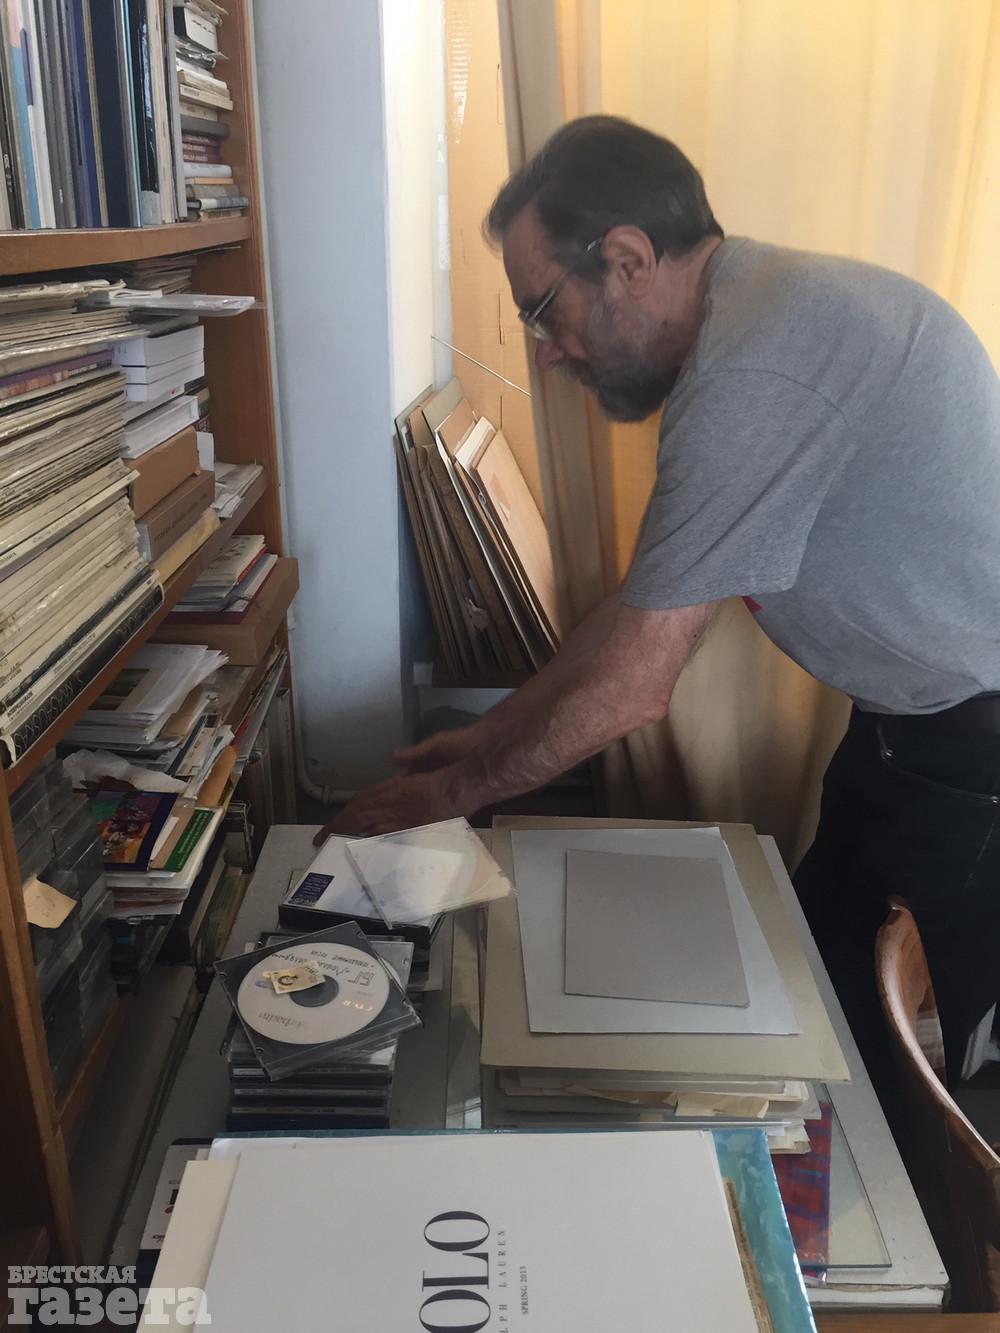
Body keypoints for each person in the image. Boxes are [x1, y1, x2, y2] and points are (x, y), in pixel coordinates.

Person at [322, 115, 1000, 1088]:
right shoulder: (757, 318)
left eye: (543, 309)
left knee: (939, 1077)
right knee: (826, 999)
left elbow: (632, 688)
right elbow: (640, 607)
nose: (546, 352)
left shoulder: (755, 368)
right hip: (904, 725)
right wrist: (487, 736)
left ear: (630, 261)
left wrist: (440, 802)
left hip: (973, 752)